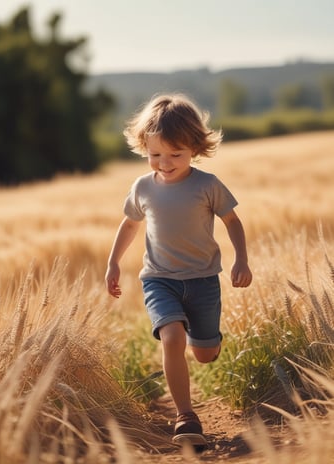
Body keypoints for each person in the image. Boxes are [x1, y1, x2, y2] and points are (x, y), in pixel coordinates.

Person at [105, 93, 252, 443]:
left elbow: (232, 221)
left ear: (195, 149)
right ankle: (186, 416)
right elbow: (129, 226)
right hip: (159, 280)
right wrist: (113, 262)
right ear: (144, 148)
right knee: (172, 337)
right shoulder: (143, 187)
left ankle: (209, 343)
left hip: (203, 281)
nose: (165, 163)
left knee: (203, 354)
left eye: (176, 154)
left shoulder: (207, 185)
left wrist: (241, 259)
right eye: (155, 155)